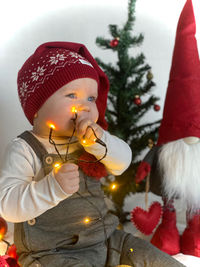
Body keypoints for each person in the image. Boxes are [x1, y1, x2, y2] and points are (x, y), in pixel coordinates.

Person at [0, 42, 184, 267]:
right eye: (72, 95)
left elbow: (122, 162)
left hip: (106, 241)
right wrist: (52, 188)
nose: (85, 107)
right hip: (52, 253)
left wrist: (100, 142)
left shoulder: (89, 139)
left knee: (152, 258)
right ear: (37, 107)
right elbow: (7, 205)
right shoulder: (24, 148)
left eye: (90, 98)